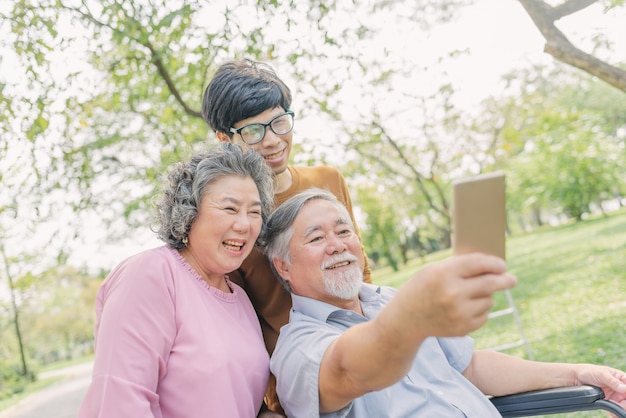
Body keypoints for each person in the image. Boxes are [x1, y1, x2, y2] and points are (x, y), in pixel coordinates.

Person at [263, 188, 626, 417]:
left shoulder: (391, 300)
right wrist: (411, 316)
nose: (338, 244)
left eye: (344, 231)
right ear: (284, 266)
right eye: (316, 238)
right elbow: (350, 370)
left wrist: (576, 373)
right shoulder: (297, 349)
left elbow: (470, 368)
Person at [201, 58, 371, 413]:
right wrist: (274, 399)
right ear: (224, 138)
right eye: (253, 131)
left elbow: (360, 273)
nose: (273, 140)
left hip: (366, 347)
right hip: (305, 375)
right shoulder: (229, 218)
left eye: (279, 122)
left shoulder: (328, 180)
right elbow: (240, 320)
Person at [79, 142, 279, 417]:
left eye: (254, 212)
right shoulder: (150, 275)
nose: (244, 224)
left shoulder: (240, 298)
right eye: (230, 209)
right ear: (190, 212)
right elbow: (120, 399)